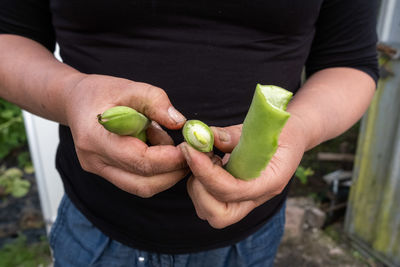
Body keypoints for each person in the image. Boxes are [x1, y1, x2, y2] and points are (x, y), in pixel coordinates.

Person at [0, 0, 379, 266]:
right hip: (95, 225)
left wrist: (298, 128)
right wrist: (71, 95)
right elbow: (9, 39)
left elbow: (349, 62)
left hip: (247, 238)